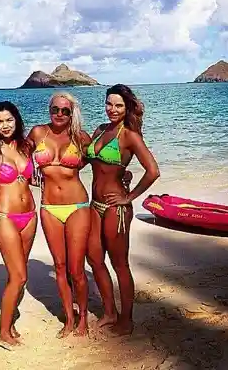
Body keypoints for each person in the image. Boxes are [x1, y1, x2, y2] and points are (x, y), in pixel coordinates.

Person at [86, 84, 160, 336]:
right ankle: (109, 312)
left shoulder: (129, 135)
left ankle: (126, 320)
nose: (112, 109)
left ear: (127, 108)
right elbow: (88, 160)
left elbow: (153, 171)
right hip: (94, 205)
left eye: (118, 105)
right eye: (109, 104)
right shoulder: (100, 130)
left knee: (119, 264)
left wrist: (128, 197)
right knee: (94, 259)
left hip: (114, 209)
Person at [28, 92, 92, 338]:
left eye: (65, 110)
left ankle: (83, 317)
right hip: (49, 207)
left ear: (72, 113)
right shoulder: (38, 133)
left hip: (77, 206)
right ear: (49, 109)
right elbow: (16, 157)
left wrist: (123, 178)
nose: (59, 114)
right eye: (55, 109)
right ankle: (69, 318)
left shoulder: (80, 137)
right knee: (60, 266)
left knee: (77, 269)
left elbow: (100, 162)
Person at [0, 101, 37, 350]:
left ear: (17, 120)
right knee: (19, 276)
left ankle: (10, 323)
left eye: (9, 120)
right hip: (5, 218)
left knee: (19, 276)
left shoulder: (25, 146)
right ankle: (3, 334)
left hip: (30, 216)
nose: (4, 125)